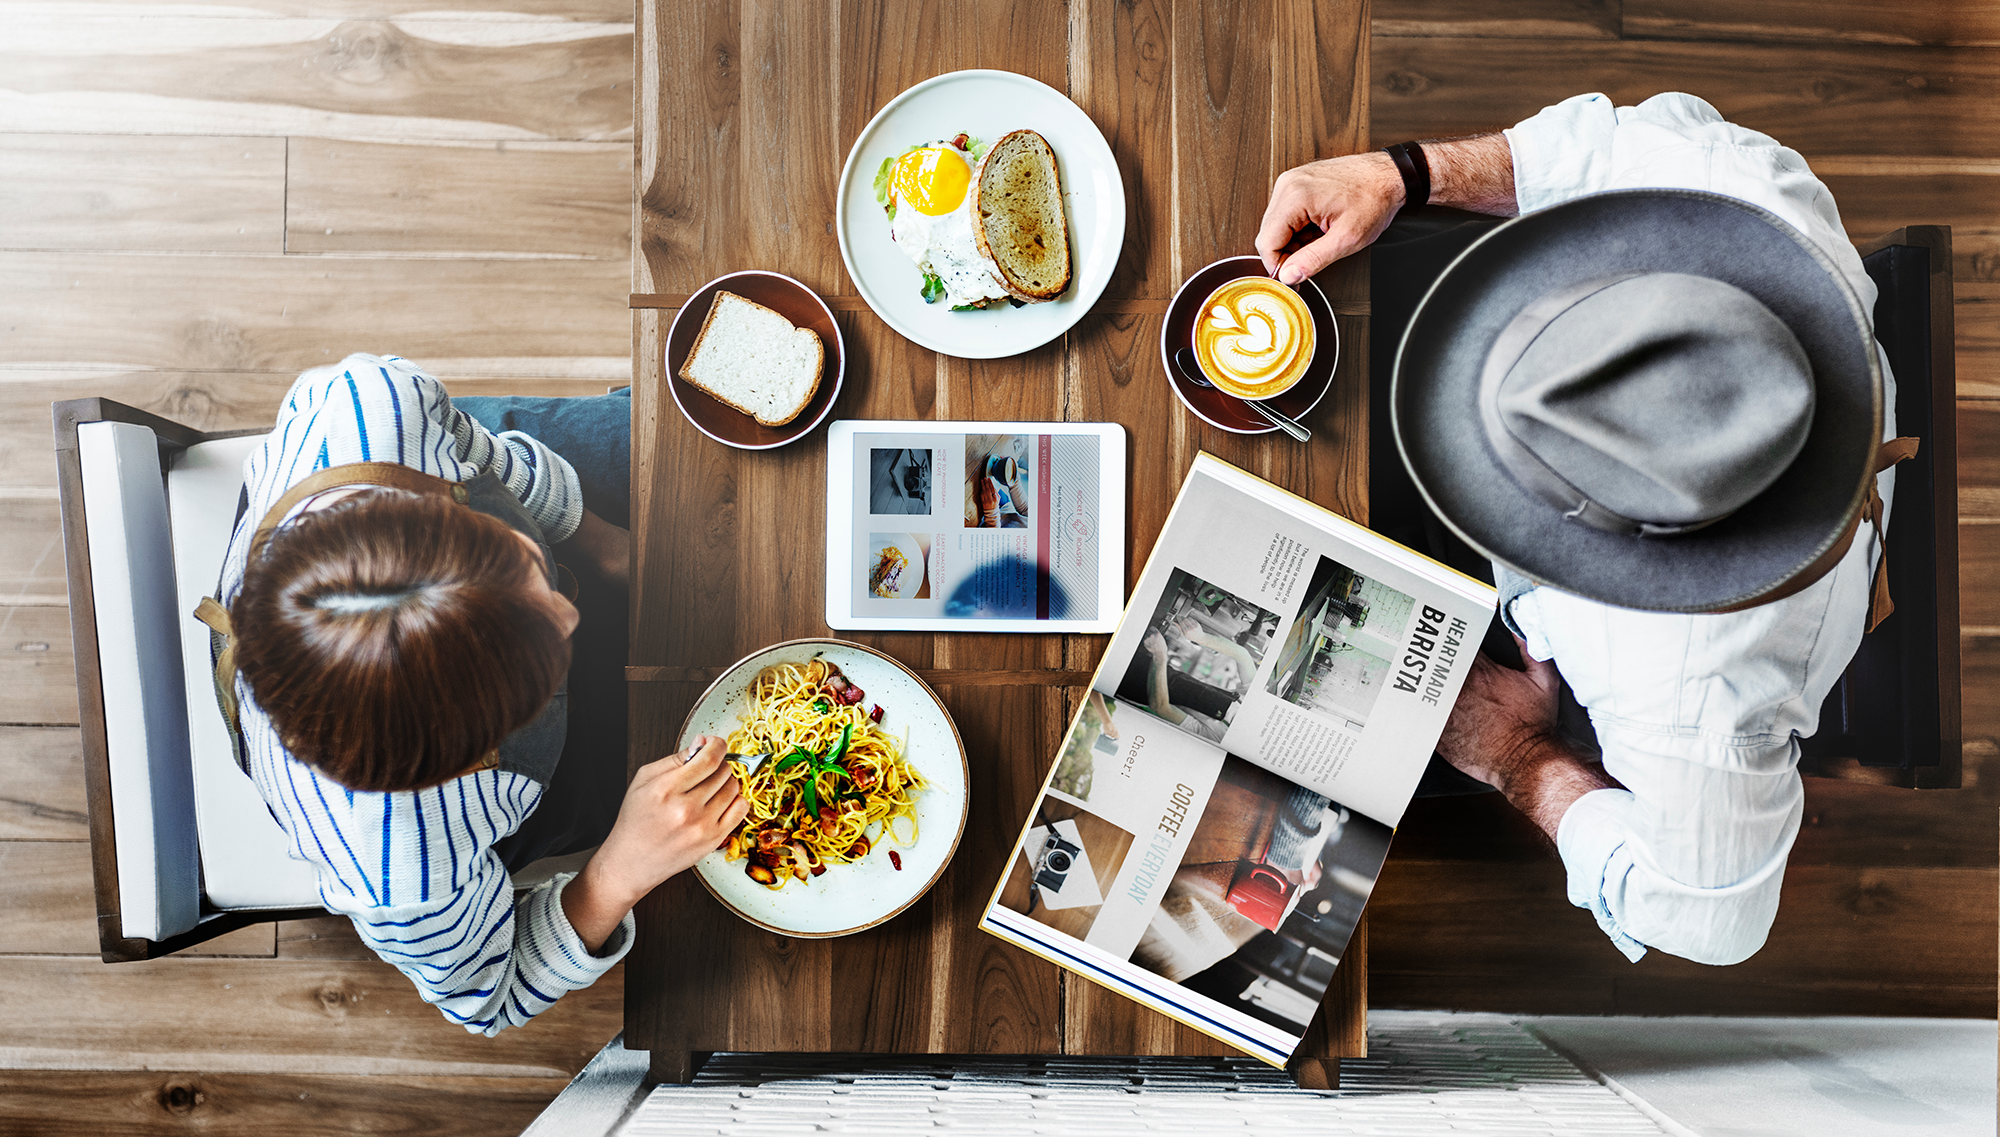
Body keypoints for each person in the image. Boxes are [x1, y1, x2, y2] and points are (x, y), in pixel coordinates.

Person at [1256, 92, 1905, 966]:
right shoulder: (1733, 193)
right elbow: (1623, 138)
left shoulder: (1686, 695)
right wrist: (1403, 174)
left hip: (1708, 621)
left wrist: (1518, 756)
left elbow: (1713, 924)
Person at [214, 353, 749, 1033]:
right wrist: (618, 870)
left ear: (438, 501)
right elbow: (487, 996)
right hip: (514, 791)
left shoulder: (375, 408)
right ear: (461, 753)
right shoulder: (398, 868)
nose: (572, 616)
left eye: (527, 566)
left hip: (482, 479)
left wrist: (606, 542)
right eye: (543, 670)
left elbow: (480, 452)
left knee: (700, 446)